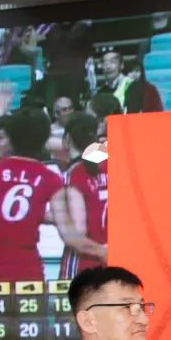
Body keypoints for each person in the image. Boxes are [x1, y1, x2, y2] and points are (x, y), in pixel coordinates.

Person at [0, 108, 67, 281]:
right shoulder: (51, 177)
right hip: (29, 265)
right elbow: (67, 230)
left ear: (12, 137)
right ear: (44, 138)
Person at [59, 112, 109, 278]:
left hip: (84, 262)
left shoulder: (74, 174)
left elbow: (77, 231)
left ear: (67, 139)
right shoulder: (112, 166)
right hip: (113, 260)